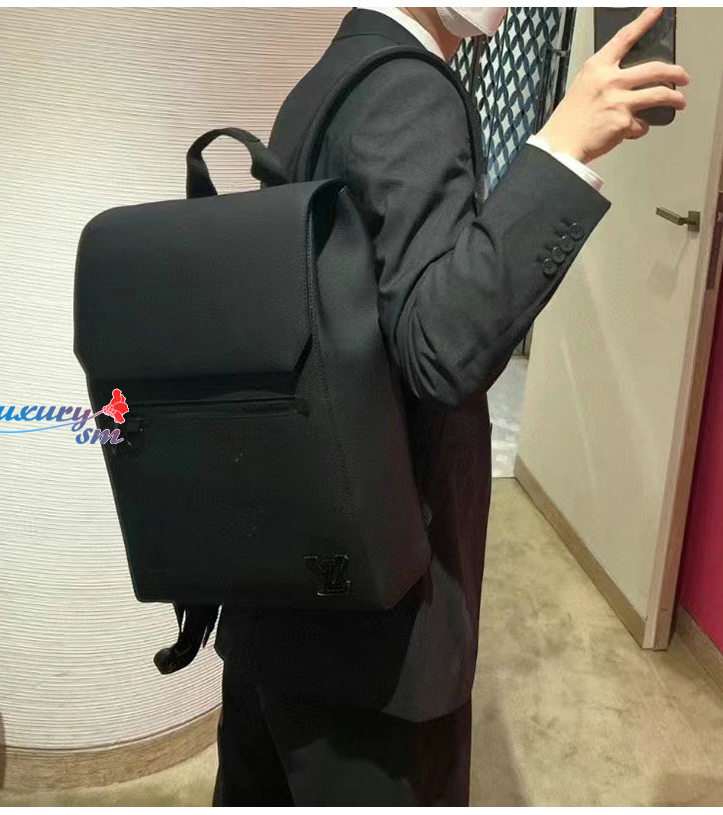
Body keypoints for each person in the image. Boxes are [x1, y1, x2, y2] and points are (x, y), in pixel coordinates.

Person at [211, 6, 689, 806]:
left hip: (286, 590)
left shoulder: (334, 72)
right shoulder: (410, 89)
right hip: (373, 636)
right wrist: (561, 150)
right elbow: (439, 347)